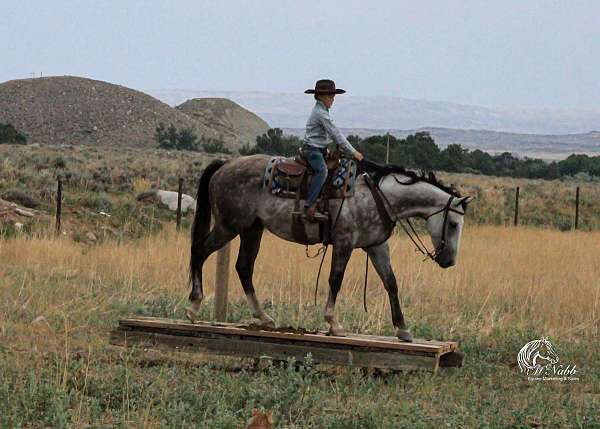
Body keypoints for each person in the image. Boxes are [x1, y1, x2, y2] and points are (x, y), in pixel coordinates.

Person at [302, 79, 364, 222]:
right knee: (322, 171)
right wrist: (353, 152)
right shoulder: (321, 113)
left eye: (333, 96)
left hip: (319, 149)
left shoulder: (323, 111)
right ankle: (309, 206)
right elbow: (336, 134)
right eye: (330, 96)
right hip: (312, 150)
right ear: (321, 97)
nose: (333, 99)